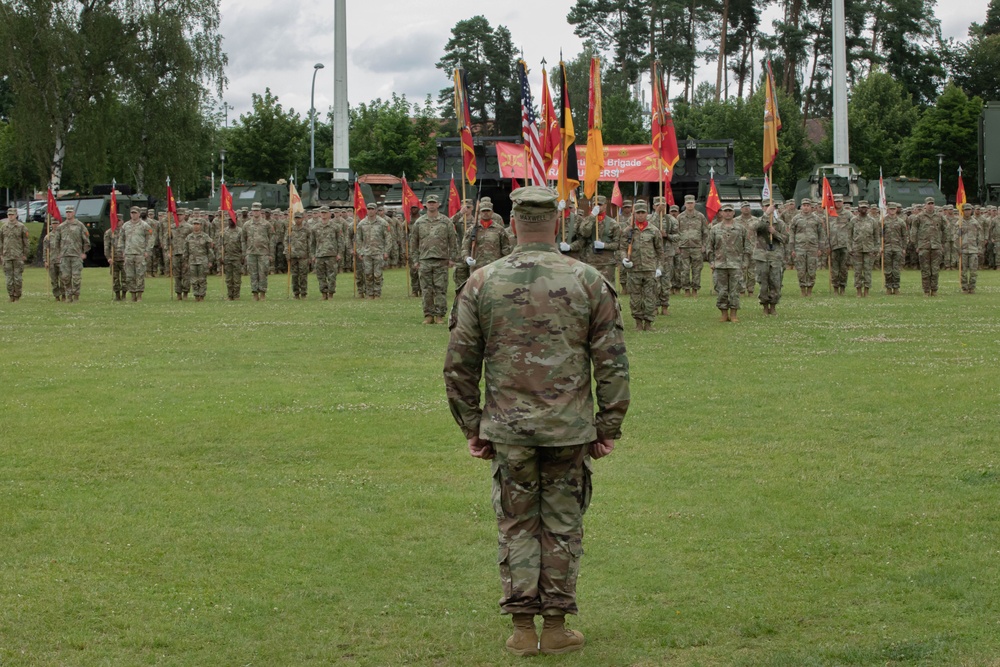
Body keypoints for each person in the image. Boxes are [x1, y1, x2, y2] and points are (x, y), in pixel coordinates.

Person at [444, 185, 630, 657]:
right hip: (568, 428)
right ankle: (556, 626)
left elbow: (459, 364)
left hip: (508, 429)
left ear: (512, 223)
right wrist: (608, 426)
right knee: (563, 523)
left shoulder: (483, 282)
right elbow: (611, 363)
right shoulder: (588, 280)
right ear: (557, 224)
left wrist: (473, 426)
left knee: (517, 524)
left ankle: (524, 630)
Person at [409, 194, 457, 324]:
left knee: (440, 288)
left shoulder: (446, 221)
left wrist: (452, 258)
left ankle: (440, 315)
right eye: (429, 203)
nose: (431, 205)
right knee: (426, 289)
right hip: (424, 260)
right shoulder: (419, 222)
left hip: (441, 259)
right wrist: (415, 260)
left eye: (433, 202)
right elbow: (413, 242)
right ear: (425, 205)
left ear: (438, 204)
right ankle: (428, 314)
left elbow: (453, 241)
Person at [619, 200, 663, 330]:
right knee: (635, 298)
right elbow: (622, 248)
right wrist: (624, 260)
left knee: (650, 296)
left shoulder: (654, 231)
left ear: (647, 214)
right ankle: (638, 322)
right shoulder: (628, 231)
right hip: (634, 269)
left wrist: (660, 268)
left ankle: (648, 323)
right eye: (638, 213)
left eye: (643, 212)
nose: (640, 215)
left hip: (650, 269)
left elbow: (660, 252)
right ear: (634, 214)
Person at [708, 203, 750, 322]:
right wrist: (712, 262)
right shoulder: (715, 229)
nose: (727, 213)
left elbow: (747, 247)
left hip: (736, 264)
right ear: (721, 213)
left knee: (735, 290)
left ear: (733, 213)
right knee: (721, 290)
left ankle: (734, 314)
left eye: (729, 211)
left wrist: (745, 262)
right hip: (720, 264)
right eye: (725, 211)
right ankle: (724, 313)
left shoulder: (741, 228)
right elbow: (709, 248)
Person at [752, 204, 787, 315]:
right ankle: (764, 306)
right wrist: (766, 214)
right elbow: (755, 228)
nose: (769, 208)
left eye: (770, 206)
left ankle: (773, 306)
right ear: (763, 208)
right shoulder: (759, 221)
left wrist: (775, 233)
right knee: (763, 283)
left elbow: (786, 239)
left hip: (775, 257)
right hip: (762, 257)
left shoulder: (780, 223)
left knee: (775, 282)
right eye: (766, 206)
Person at [461, 199, 512, 276]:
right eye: (483, 211)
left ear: (492, 212)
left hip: (494, 268)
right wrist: (467, 258)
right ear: (479, 212)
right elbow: (465, 248)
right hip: (476, 268)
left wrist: (503, 263)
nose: (485, 213)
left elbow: (505, 249)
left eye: (488, 211)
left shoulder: (499, 229)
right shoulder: (472, 230)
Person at [909, 197, 947, 296]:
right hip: (924, 246)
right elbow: (913, 232)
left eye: (932, 203)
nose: (930, 205)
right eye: (929, 203)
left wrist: (942, 243)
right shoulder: (919, 217)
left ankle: (934, 290)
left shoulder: (939, 216)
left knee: (935, 270)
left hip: (936, 246)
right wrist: (916, 245)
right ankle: (926, 290)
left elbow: (945, 230)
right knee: (925, 270)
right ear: (925, 205)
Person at [356, 202, 392, 299]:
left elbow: (388, 238)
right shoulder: (362, 224)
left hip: (379, 252)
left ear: (376, 210)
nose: (370, 211)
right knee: (367, 274)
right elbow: (358, 239)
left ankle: (377, 293)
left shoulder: (382, 223)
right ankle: (369, 293)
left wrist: (386, 251)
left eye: (372, 209)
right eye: (369, 209)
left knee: (377, 274)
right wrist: (360, 251)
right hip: (366, 253)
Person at [789, 198, 824, 296]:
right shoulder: (796, 219)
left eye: (808, 205)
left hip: (813, 248)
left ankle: (809, 290)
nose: (806, 207)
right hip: (799, 247)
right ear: (801, 207)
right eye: (804, 205)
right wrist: (792, 248)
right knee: (801, 270)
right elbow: (791, 233)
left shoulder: (816, 219)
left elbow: (821, 234)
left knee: (812, 270)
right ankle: (802, 290)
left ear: (811, 207)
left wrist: (820, 248)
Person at [675, 194, 708, 296]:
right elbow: (676, 232)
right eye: (688, 203)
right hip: (683, 247)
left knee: (696, 269)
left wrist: (704, 245)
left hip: (697, 247)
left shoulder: (700, 216)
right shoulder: (680, 217)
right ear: (685, 204)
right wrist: (677, 246)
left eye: (691, 203)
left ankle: (695, 289)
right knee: (684, 270)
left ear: (694, 204)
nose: (690, 205)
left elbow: (705, 232)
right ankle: (686, 289)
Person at [56, 206, 90, 302]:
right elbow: (57, 242)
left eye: (70, 212)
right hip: (65, 255)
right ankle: (68, 296)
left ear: (74, 213)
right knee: (65, 277)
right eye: (67, 212)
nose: (68, 214)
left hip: (76, 255)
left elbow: (86, 241)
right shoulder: (61, 227)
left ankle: (76, 296)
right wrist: (58, 254)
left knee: (76, 277)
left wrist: (84, 252)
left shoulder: (80, 225)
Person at [121, 206, 154, 301]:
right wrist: (123, 250)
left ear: (139, 214)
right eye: (132, 213)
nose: (133, 215)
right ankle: (132, 294)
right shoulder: (125, 225)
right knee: (129, 276)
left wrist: (147, 250)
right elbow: (121, 238)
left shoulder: (145, 225)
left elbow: (151, 238)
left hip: (140, 253)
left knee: (140, 275)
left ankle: (139, 295)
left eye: (135, 213)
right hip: (129, 254)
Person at [243, 202, 274, 301]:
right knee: (253, 274)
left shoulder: (266, 224)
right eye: (254, 210)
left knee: (263, 273)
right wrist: (245, 253)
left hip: (263, 253)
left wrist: (271, 254)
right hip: (251, 252)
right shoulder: (247, 225)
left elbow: (271, 240)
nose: (255, 212)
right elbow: (243, 239)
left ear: (260, 211)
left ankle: (263, 293)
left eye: (257, 210)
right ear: (251, 212)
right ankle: (255, 293)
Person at [850, 201, 880, 297]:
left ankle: (866, 291)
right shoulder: (853, 220)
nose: (863, 209)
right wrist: (849, 248)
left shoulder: (872, 221)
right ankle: (858, 291)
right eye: (862, 207)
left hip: (869, 249)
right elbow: (848, 235)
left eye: (865, 207)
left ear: (868, 209)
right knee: (858, 271)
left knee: (868, 271)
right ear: (858, 208)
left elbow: (877, 236)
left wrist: (876, 248)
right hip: (856, 249)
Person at [0, 207, 31, 302]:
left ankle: (17, 296)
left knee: (17, 278)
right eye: (9, 215)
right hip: (7, 256)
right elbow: (1, 241)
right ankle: (11, 296)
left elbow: (26, 242)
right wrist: (1, 254)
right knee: (9, 279)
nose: (11, 216)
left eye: (12, 214)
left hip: (18, 256)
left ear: (16, 215)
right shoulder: (3, 227)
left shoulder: (21, 227)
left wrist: (25, 254)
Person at [313, 206, 343, 300]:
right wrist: (312, 255)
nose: (323, 215)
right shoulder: (315, 227)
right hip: (319, 254)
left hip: (331, 254)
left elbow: (340, 241)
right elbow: (312, 243)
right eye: (322, 213)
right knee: (320, 276)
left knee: (332, 275)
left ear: (330, 214)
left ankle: (330, 294)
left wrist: (339, 253)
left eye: (325, 213)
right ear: (319, 214)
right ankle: (323, 293)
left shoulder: (335, 226)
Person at [183, 218, 215, 301]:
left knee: (202, 279)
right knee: (193, 280)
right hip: (192, 261)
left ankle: (202, 295)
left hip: (202, 260)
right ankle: (196, 295)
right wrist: (185, 261)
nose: (196, 226)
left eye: (197, 224)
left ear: (201, 226)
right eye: (194, 224)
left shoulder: (205, 236)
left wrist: (210, 261)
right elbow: (186, 250)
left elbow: (210, 250)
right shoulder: (189, 237)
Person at [285, 211, 312, 299]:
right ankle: (296, 293)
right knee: (294, 276)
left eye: (299, 218)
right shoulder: (290, 229)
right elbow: (286, 242)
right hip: (293, 256)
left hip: (303, 256)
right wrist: (287, 253)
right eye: (296, 218)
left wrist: (310, 255)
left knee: (303, 275)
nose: (298, 220)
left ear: (302, 218)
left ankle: (304, 293)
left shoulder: (306, 230)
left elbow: (310, 243)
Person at [828, 195, 851, 295]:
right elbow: (826, 230)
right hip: (833, 244)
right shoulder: (829, 213)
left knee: (844, 268)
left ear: (843, 202)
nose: (838, 203)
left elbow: (854, 226)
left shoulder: (848, 214)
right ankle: (835, 288)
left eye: (840, 201)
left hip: (845, 245)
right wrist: (827, 245)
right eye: (836, 201)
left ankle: (843, 288)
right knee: (834, 269)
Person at [219, 210, 245, 300]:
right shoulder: (224, 232)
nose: (231, 221)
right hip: (227, 257)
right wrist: (220, 257)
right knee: (229, 278)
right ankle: (230, 295)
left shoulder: (240, 231)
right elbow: (220, 246)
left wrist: (243, 256)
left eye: (232, 219)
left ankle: (236, 295)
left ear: (236, 220)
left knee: (237, 278)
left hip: (237, 257)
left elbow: (243, 244)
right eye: (229, 220)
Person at [882, 203, 907, 294]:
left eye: (894, 209)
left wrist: (904, 248)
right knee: (888, 269)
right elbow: (880, 235)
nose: (892, 211)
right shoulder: (883, 221)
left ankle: (896, 287)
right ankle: (888, 287)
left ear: (896, 210)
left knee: (896, 269)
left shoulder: (901, 222)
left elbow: (904, 236)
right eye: (890, 209)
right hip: (887, 247)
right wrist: (881, 246)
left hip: (897, 248)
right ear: (888, 210)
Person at [958, 203, 983, 293]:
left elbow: (980, 237)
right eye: (966, 210)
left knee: (973, 271)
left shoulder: (975, 222)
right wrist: (958, 248)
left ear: (971, 211)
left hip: (973, 249)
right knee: (963, 271)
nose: (967, 212)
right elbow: (956, 236)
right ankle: (964, 288)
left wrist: (979, 249)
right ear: (963, 211)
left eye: (969, 210)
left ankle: (972, 288)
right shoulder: (959, 223)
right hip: (963, 250)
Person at [171, 210, 194, 299]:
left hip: (185, 253)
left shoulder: (189, 227)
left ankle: (185, 293)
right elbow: (167, 239)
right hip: (175, 253)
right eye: (177, 215)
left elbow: (192, 240)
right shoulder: (172, 226)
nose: (179, 216)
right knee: (176, 275)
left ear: (184, 215)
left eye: (180, 215)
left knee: (186, 275)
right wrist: (168, 251)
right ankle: (178, 293)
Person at [103, 219, 126, 301]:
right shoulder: (109, 232)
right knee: (115, 278)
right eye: (115, 220)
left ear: (122, 221)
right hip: (114, 259)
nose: (117, 222)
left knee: (125, 278)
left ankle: (124, 295)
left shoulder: (126, 231)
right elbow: (106, 246)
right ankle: (117, 295)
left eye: (119, 221)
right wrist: (108, 257)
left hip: (124, 258)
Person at [43, 216, 64, 301]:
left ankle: (64, 295)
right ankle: (56, 296)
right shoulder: (48, 237)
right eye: (53, 223)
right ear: (51, 224)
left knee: (63, 279)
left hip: (61, 260)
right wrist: (45, 260)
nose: (55, 225)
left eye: (56, 223)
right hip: (52, 261)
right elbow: (45, 250)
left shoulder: (62, 235)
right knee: (54, 280)